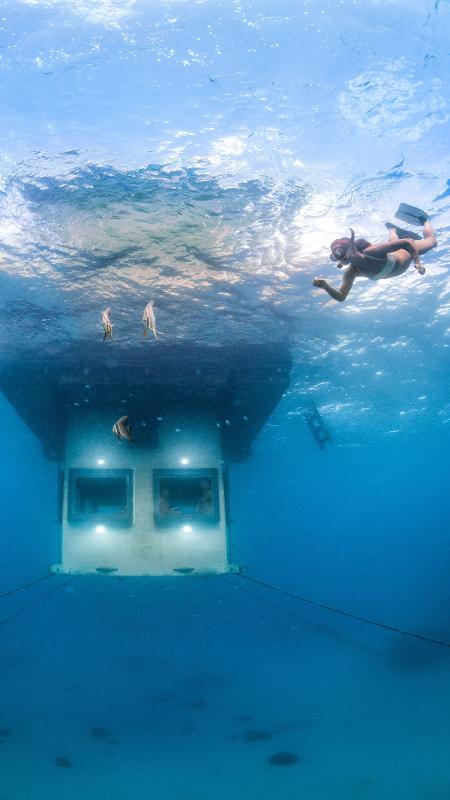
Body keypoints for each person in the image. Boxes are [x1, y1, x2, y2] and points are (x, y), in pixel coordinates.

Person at [312, 219, 437, 302]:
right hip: (395, 257)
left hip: (405, 252)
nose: (340, 259)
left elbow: (407, 243)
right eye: (335, 256)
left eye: (339, 253)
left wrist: (417, 262)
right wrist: (325, 286)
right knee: (393, 243)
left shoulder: (371, 251)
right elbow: (341, 297)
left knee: (432, 242)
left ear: (350, 248)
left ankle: (424, 219)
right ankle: (393, 230)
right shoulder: (352, 272)